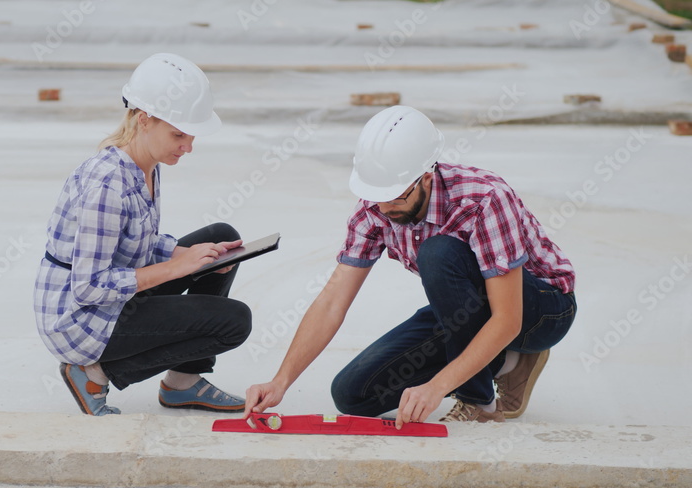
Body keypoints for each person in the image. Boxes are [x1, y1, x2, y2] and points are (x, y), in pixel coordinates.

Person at [244, 105, 576, 427]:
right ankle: (506, 362)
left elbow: (507, 319)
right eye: (377, 195)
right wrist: (280, 381)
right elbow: (332, 301)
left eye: (396, 195)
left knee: (439, 253)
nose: (385, 207)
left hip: (540, 310)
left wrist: (439, 386)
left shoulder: (483, 199)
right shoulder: (374, 209)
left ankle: (479, 402)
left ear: (427, 178)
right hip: (467, 309)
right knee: (353, 395)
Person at [34, 53, 251, 416]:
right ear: (144, 120)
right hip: (81, 319)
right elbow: (89, 287)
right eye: (178, 134)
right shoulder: (108, 184)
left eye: (191, 135)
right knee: (234, 322)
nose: (188, 146)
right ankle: (94, 374)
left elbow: (136, 239)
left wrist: (183, 252)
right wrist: (177, 268)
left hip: (108, 301)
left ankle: (182, 383)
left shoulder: (144, 164)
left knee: (220, 237)